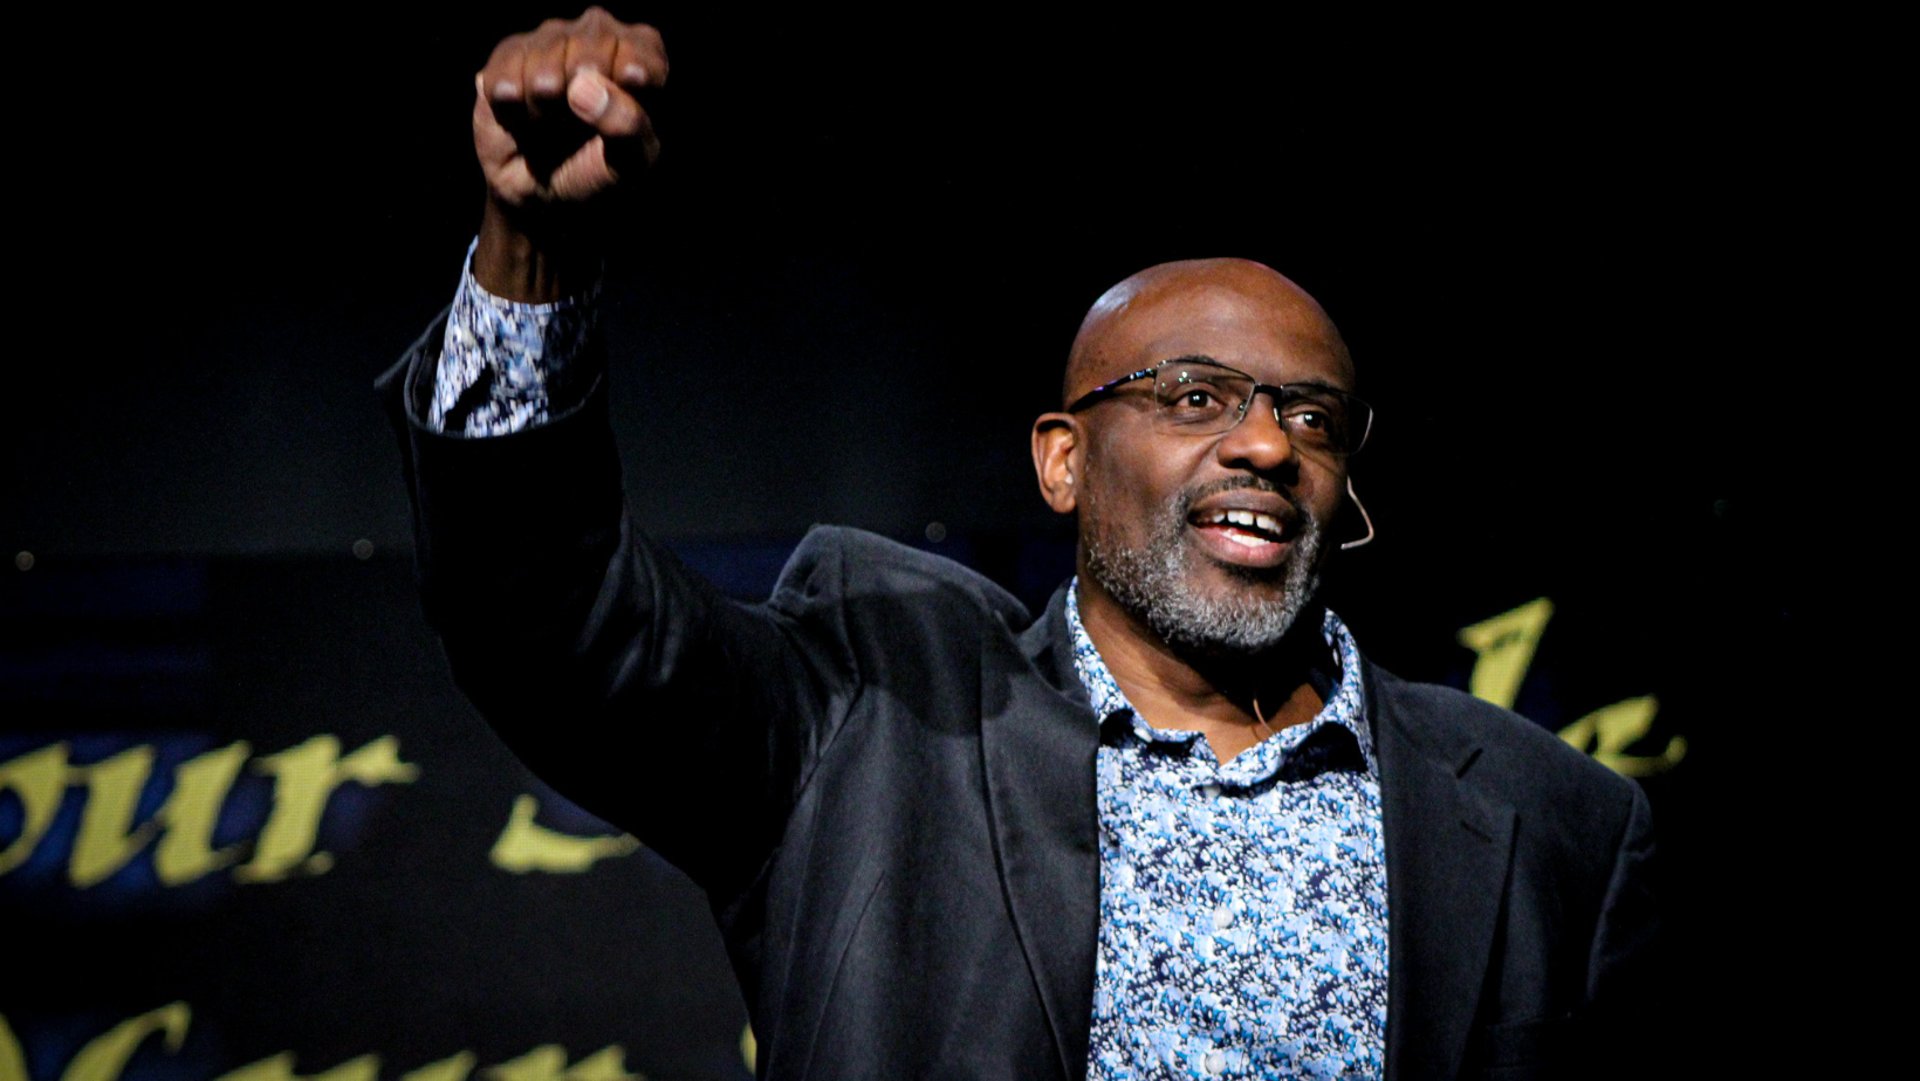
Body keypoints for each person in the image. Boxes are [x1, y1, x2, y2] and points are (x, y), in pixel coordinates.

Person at [379, 9, 1662, 1079]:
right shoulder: (869, 718)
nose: (1269, 444)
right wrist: (532, 254)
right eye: (1195, 396)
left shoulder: (1552, 819)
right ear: (1063, 460)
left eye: (1311, 417)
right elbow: (546, 613)